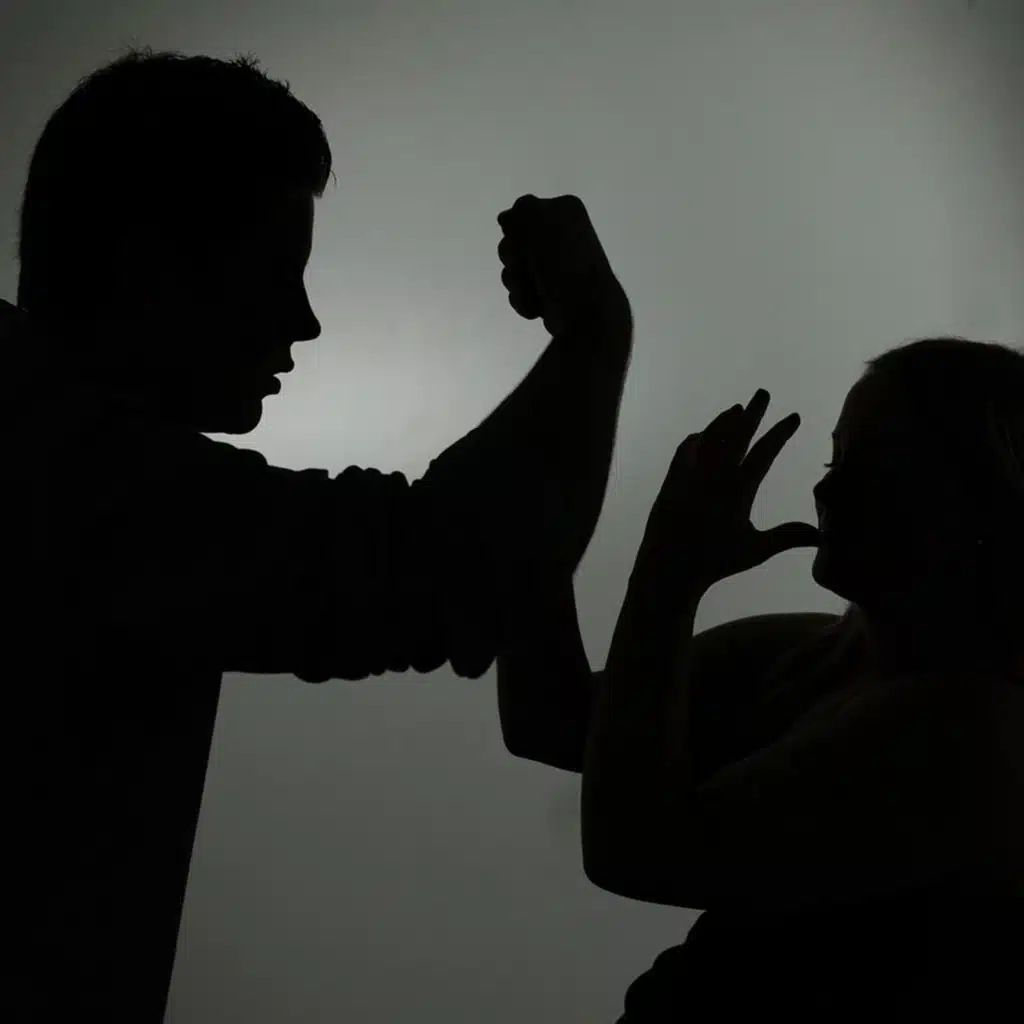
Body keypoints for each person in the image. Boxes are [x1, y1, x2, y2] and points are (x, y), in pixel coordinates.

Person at [2, 48, 635, 1022]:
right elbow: (445, 564)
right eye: (275, 274)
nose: (303, 322)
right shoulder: (74, 481)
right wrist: (594, 328)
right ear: (149, 268)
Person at [497, 343, 1024, 1017]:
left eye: (878, 470)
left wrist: (669, 570)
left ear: (979, 502)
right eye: (835, 461)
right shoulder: (805, 651)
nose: (826, 490)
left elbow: (635, 850)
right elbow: (553, 719)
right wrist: (531, 515)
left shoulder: (975, 733)